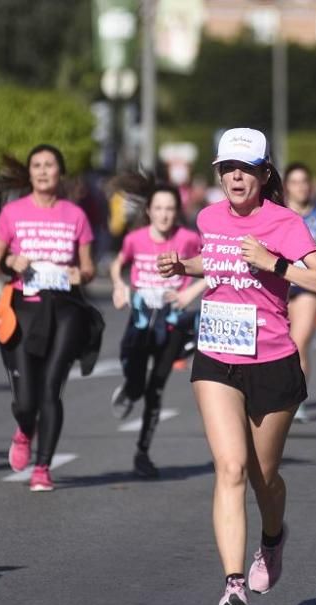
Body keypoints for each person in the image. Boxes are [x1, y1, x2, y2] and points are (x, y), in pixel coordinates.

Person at [157, 128, 316, 605]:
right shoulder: (209, 216)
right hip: (217, 355)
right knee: (231, 467)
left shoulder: (286, 223)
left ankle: (273, 539)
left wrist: (273, 262)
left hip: (274, 360)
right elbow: (216, 262)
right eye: (226, 169)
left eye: (245, 168)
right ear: (218, 174)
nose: (235, 177)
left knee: (264, 479)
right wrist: (184, 265)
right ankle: (233, 586)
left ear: (263, 173)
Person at [0, 145, 98, 492]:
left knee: (51, 388)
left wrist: (81, 274)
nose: (43, 171)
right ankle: (24, 429)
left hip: (64, 310)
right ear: (30, 172)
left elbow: (89, 267)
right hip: (22, 308)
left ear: (59, 173)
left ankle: (43, 467)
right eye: (37, 165)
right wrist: (9, 264)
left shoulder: (75, 215)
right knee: (25, 400)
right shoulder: (12, 213)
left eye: (50, 165)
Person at [109, 180, 204, 478]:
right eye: (159, 208)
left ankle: (142, 453)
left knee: (156, 387)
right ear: (149, 210)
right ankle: (129, 388)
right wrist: (119, 286)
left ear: (177, 211)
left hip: (172, 320)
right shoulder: (135, 239)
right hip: (139, 320)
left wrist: (190, 293)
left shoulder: (188, 239)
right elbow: (117, 264)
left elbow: (217, 265)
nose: (164, 215)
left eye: (170, 209)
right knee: (137, 383)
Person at [282, 163, 316, 422]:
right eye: (295, 181)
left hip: (307, 287)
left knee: (298, 343)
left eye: (305, 181)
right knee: (280, 343)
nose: (300, 186)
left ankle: (297, 398)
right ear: (286, 187)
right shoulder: (278, 215)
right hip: (280, 285)